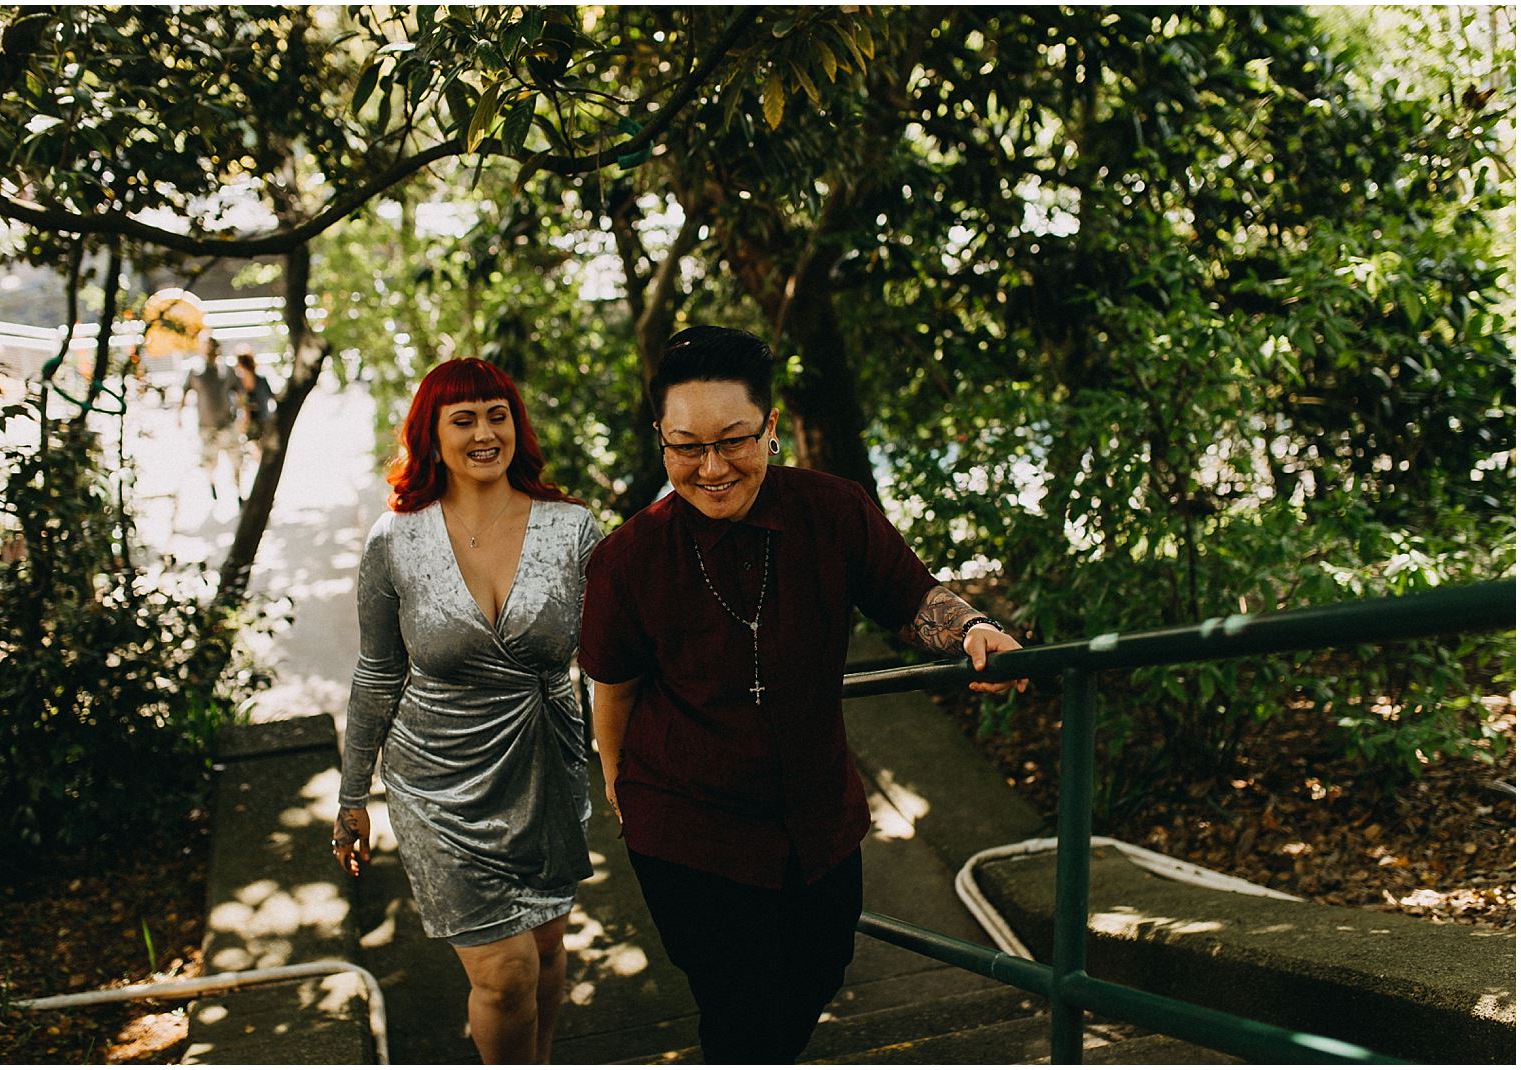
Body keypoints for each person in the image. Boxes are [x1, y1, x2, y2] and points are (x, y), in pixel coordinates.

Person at [579, 326, 1029, 1064]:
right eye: (686, 446)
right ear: (661, 439)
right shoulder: (628, 559)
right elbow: (615, 690)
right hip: (690, 829)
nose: (712, 467)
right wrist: (618, 786)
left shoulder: (833, 510)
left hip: (818, 820)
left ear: (772, 428)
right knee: (741, 1013)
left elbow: (912, 596)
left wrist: (974, 629)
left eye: (734, 441)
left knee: (818, 973)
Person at [331, 358, 603, 1065]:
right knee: (505, 973)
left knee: (543, 955)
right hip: (438, 786)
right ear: (432, 434)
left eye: (497, 414)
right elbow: (377, 671)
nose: (485, 432)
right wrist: (352, 794)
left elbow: (615, 659)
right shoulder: (396, 541)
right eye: (464, 419)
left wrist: (626, 762)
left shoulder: (573, 529)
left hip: (546, 764)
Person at [179, 336, 240, 501]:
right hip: (206, 426)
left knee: (235, 459)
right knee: (210, 462)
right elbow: (184, 392)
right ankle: (212, 485)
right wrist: (179, 416)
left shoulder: (226, 369)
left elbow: (239, 392)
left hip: (226, 423)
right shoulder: (196, 370)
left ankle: (238, 491)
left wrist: (244, 414)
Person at [231, 345, 276, 455]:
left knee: (260, 450)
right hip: (249, 421)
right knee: (255, 450)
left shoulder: (259, 380)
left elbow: (270, 397)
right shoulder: (238, 383)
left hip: (261, 419)